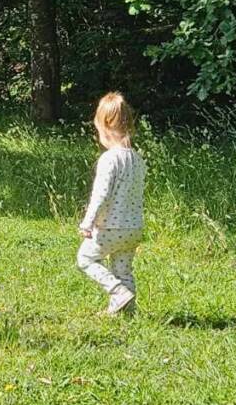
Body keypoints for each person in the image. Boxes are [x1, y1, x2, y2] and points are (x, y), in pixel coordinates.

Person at [77, 92, 146, 315]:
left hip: (110, 228)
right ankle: (127, 312)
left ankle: (118, 292)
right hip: (134, 228)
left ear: (105, 126)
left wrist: (88, 223)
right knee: (123, 270)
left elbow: (101, 194)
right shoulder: (137, 159)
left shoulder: (109, 159)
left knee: (85, 259)